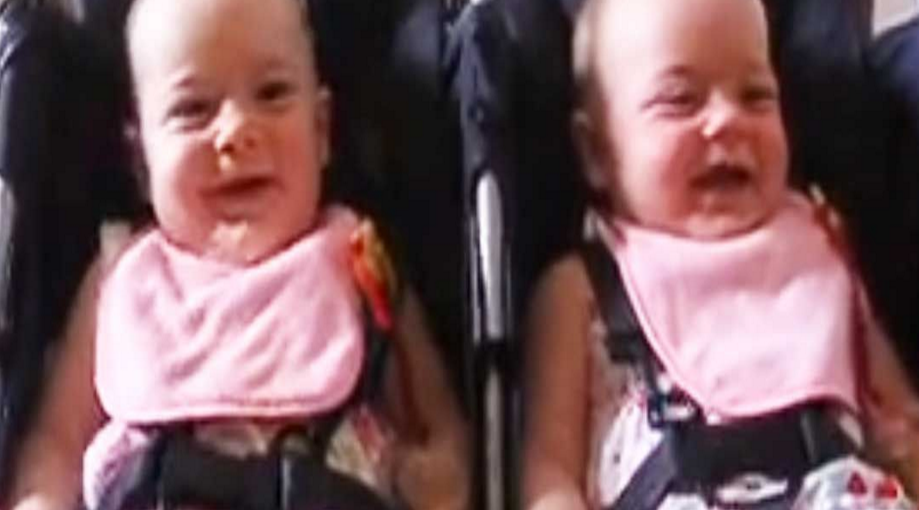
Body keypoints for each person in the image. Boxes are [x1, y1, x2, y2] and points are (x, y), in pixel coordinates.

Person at [5, 0, 469, 509]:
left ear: (320, 130)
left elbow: (435, 420)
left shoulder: (358, 259)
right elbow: (56, 445)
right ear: (141, 162)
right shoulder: (122, 278)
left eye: (272, 94)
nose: (236, 131)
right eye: (193, 111)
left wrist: (441, 470)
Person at [521, 0, 919, 509]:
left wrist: (902, 450)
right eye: (680, 101)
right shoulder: (581, 290)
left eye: (756, 96)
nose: (727, 120)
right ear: (597, 152)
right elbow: (549, 472)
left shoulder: (823, 250)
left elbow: (902, 420)